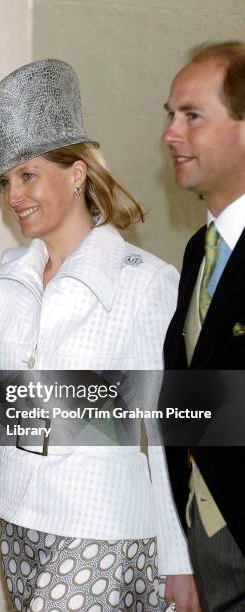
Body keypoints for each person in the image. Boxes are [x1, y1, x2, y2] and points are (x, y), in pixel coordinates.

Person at [0, 59, 193, 611]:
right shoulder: (13, 276)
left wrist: (180, 559)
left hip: (105, 530)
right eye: (6, 181)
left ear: (76, 173)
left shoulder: (146, 282)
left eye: (28, 175)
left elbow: (175, 424)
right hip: (20, 521)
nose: (13, 195)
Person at [162, 41, 245, 611]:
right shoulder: (199, 250)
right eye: (169, 115)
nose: (171, 133)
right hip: (209, 543)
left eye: (192, 115)